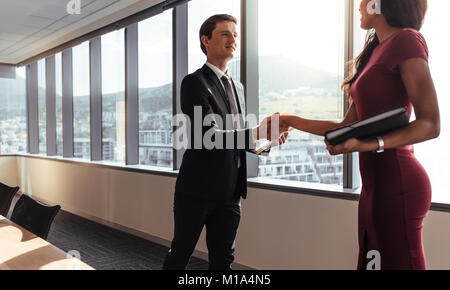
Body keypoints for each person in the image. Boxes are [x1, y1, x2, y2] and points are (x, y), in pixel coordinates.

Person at [280, 0, 439, 270]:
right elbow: (345, 127)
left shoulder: (407, 41)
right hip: (374, 186)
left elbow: (430, 124)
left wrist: (368, 144)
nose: (359, 5)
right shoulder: (376, 52)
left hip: (398, 182)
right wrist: (290, 120)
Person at [162, 14, 289, 270]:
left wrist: (267, 144)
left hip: (230, 194)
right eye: (225, 34)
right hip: (196, 191)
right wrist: (255, 131)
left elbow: (238, 138)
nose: (233, 39)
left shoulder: (237, 87)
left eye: (235, 34)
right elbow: (208, 136)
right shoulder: (194, 83)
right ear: (205, 40)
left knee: (223, 260)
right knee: (181, 254)